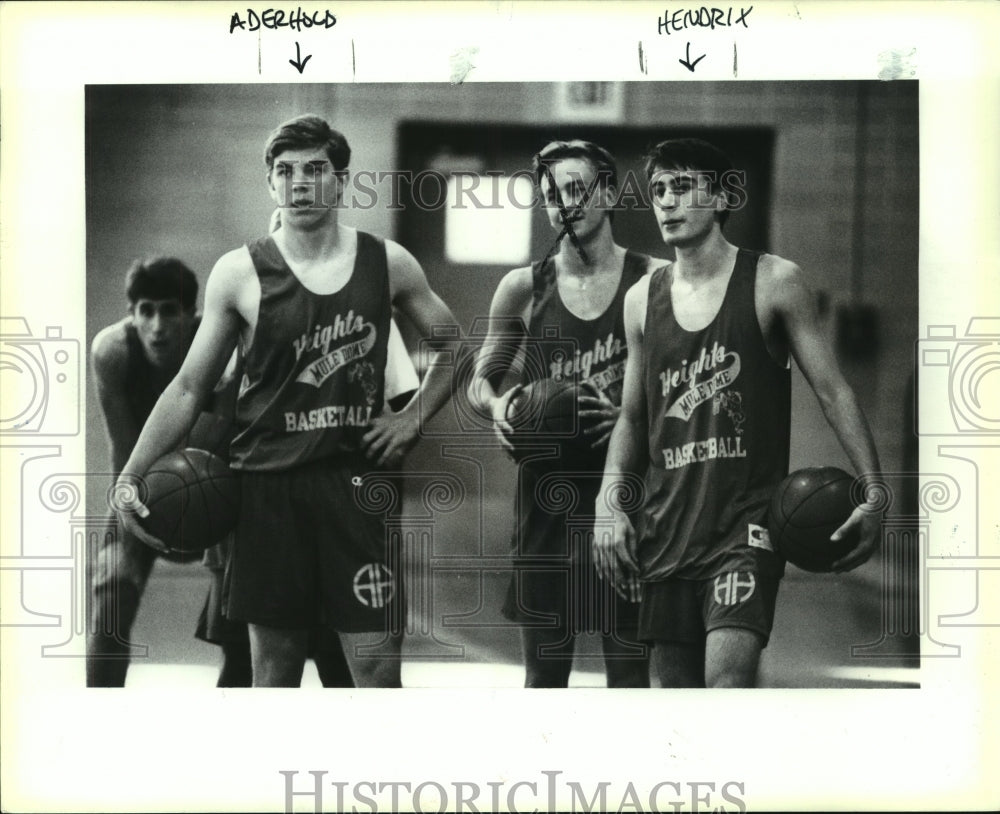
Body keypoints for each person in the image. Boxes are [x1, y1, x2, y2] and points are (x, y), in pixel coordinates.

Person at [115, 114, 459, 687]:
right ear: (271, 184)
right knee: (273, 670)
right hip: (267, 494)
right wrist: (130, 475)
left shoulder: (388, 261)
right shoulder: (238, 272)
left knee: (376, 670)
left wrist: (411, 419)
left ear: (342, 181)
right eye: (286, 171)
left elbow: (454, 346)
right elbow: (188, 388)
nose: (300, 182)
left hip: (354, 486)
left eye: (316, 169)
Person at [597, 137, 882, 688]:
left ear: (723, 197)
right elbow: (632, 417)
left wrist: (874, 490)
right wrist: (609, 502)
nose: (667, 203)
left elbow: (833, 391)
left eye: (682, 187)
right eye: (658, 191)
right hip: (666, 527)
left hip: (746, 529)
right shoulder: (640, 300)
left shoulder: (775, 281)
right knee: (671, 703)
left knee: (727, 685)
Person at [469, 140, 658, 688]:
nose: (564, 203)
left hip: (628, 502)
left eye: (576, 189)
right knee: (543, 681)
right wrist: (500, 405)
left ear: (608, 193)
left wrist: (632, 415)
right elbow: (482, 380)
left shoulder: (654, 280)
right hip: (546, 506)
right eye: (552, 194)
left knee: (629, 680)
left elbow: (680, 387)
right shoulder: (524, 286)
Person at [87, 257, 203, 687]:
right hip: (140, 484)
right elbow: (124, 449)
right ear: (131, 315)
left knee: (244, 608)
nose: (157, 326)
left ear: (190, 315)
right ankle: (99, 713)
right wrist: (130, 519)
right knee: (111, 588)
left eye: (169, 311)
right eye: (146, 311)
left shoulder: (219, 346)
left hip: (214, 481)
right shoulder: (113, 352)